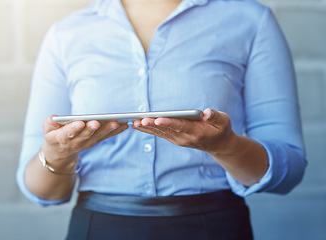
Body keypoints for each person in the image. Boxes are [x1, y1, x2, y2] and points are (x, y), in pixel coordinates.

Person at [16, 0, 307, 239]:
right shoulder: (66, 34)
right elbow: (40, 191)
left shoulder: (251, 21)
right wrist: (58, 153)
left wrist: (226, 145)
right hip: (98, 228)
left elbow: (288, 171)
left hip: (215, 227)